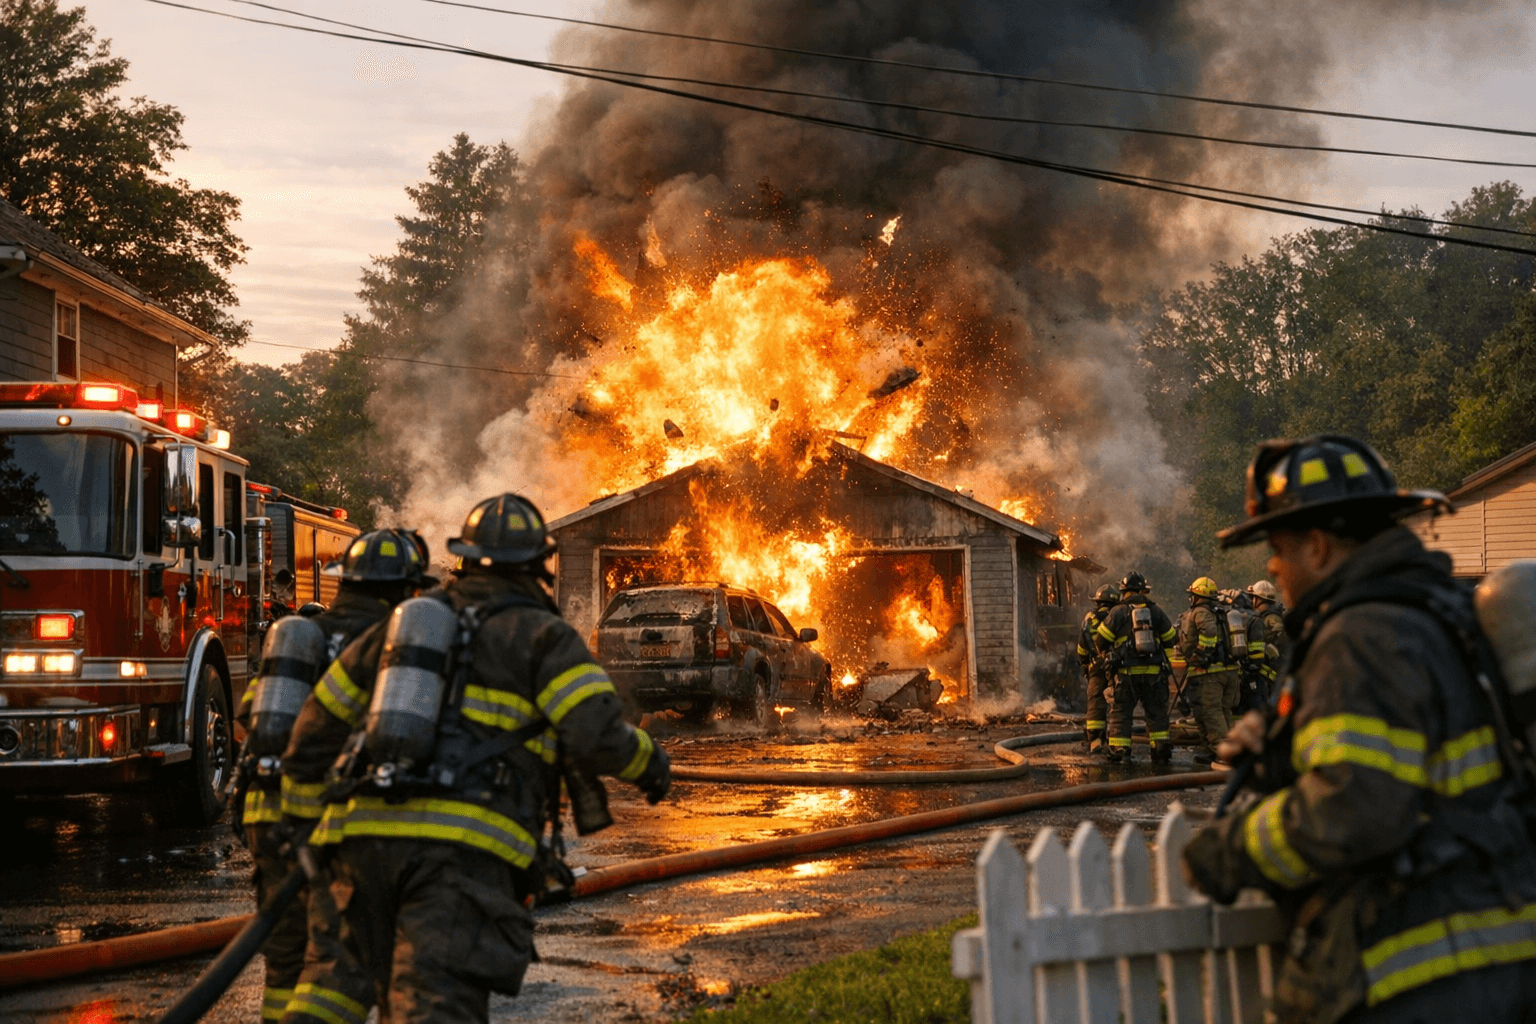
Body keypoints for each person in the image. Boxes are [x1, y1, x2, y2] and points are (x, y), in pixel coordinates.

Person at [1181, 434, 1536, 1023]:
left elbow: (1354, 808)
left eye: (1276, 547)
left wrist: (1231, 848)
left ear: (1317, 546)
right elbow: (1422, 773)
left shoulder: (1361, 635)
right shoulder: (1440, 615)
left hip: (1418, 977)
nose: (1271, 566)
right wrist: (1282, 754)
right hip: (1499, 955)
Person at [279, 494, 670, 1024]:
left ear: (464, 558)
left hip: (359, 847)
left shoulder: (403, 628)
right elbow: (596, 734)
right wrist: (651, 763)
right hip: (460, 859)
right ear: (538, 566)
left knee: (330, 991)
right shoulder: (543, 636)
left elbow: (312, 734)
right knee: (434, 1004)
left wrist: (306, 835)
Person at [236, 528, 431, 1024]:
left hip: (267, 818)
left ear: (344, 582)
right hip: (336, 825)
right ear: (405, 589)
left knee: (285, 964)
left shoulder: (304, 637)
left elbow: (249, 714)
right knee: (350, 962)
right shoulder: (397, 651)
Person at [1094, 571, 1176, 763]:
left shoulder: (1118, 612)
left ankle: (1120, 748)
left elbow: (1101, 641)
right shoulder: (1156, 611)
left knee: (1121, 712)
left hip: (1126, 674)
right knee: (1156, 713)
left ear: (1124, 591)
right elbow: (1171, 640)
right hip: (1154, 674)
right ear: (1142, 590)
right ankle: (1160, 749)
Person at [1177, 577, 1241, 765]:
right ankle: (1213, 750)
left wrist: (1200, 653)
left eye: (1192, 595)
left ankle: (1224, 753)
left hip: (1210, 673)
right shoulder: (1222, 612)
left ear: (1197, 596)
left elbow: (1209, 633)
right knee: (1222, 713)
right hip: (1229, 671)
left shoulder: (1200, 612)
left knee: (1210, 713)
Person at [1076, 584, 1119, 755]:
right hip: (1117, 665)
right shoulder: (1119, 615)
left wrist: (1085, 663)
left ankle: (1095, 739)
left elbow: (1081, 645)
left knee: (1095, 701)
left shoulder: (1090, 618)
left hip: (1096, 666)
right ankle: (1117, 738)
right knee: (1119, 702)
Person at [1246, 579, 1288, 691]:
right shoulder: (1264, 617)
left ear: (1258, 599)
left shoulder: (1271, 619)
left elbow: (1277, 645)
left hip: (1273, 673)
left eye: (1253, 598)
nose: (1251, 601)